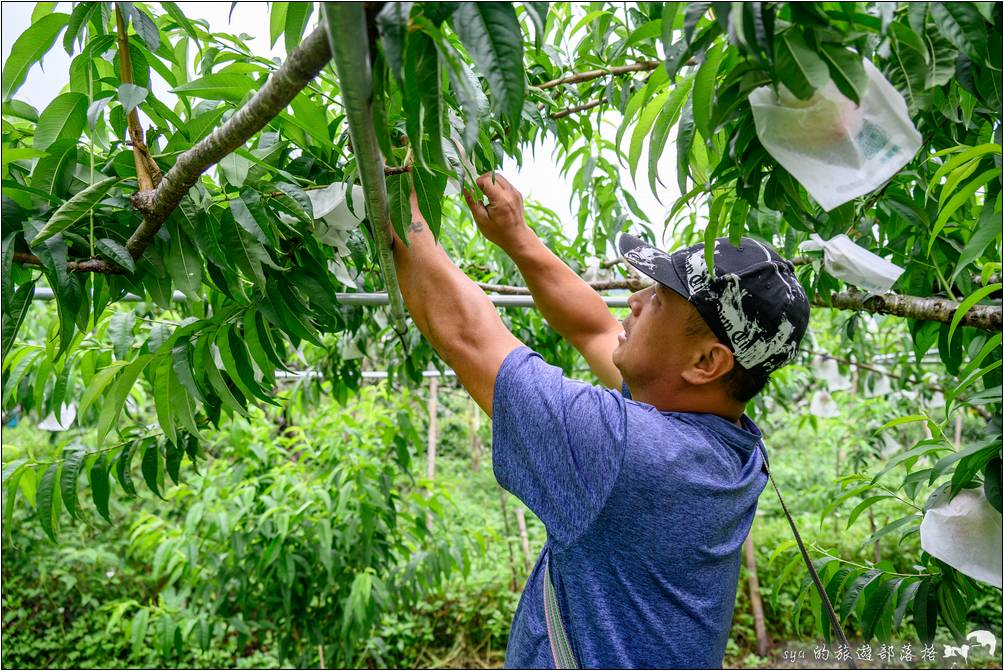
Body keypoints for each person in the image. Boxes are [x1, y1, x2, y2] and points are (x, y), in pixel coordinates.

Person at [389, 172, 810, 669]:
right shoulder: (726, 442)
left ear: (705, 364)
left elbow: (464, 334)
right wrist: (517, 237)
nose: (632, 300)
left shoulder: (631, 454)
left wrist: (399, 200)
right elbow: (594, 327)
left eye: (657, 301)